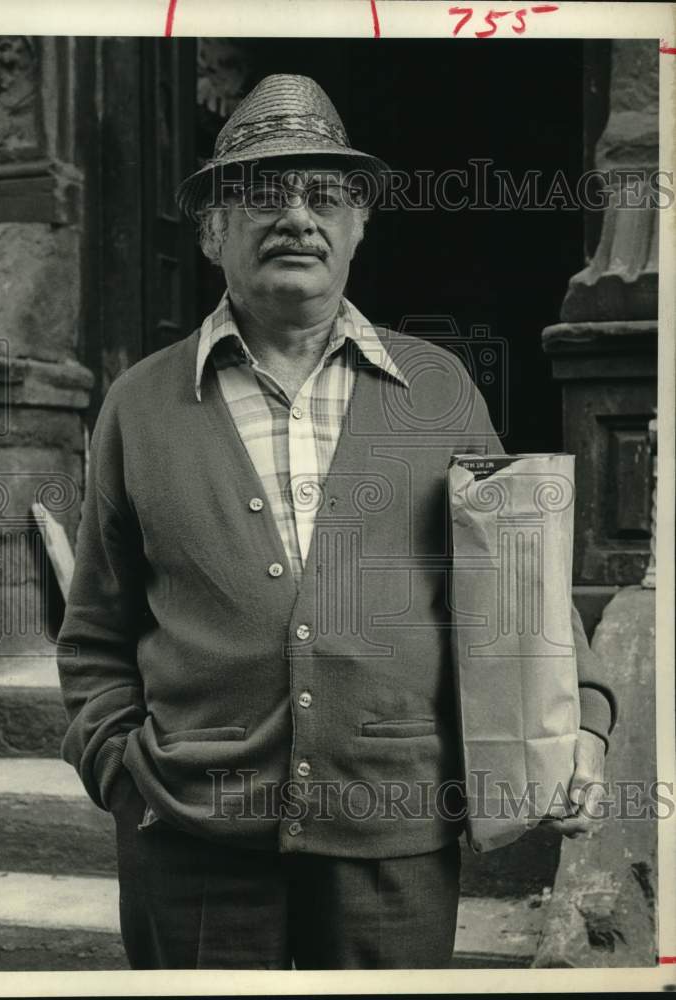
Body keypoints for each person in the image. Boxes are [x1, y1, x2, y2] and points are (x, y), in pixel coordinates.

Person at [56, 74, 616, 970]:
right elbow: (94, 634)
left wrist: (581, 720)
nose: (296, 216)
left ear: (359, 225)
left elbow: (518, 590)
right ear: (211, 229)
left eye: (325, 195)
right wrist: (122, 771)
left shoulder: (436, 389)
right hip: (193, 840)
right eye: (261, 193)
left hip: (390, 833)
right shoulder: (139, 404)